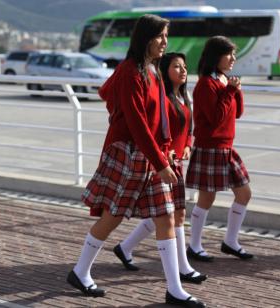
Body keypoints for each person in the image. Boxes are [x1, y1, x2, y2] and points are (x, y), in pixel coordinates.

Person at [66, 15, 205, 307]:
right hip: (130, 154)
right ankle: (80, 271)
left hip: (151, 155)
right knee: (113, 215)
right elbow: (138, 122)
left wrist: (165, 150)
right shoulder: (130, 71)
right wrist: (161, 162)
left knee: (165, 217)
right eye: (161, 36)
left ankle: (174, 290)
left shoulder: (153, 70)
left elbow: (159, 119)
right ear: (146, 37)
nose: (165, 42)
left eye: (167, 36)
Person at [112, 53, 207, 285]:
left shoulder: (183, 97)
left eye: (185, 66)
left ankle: (124, 248)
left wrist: (186, 146)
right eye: (177, 66)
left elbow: (188, 130)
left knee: (166, 215)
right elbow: (155, 130)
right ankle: (183, 267)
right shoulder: (163, 98)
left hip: (176, 162)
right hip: (162, 162)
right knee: (170, 214)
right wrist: (165, 155)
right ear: (165, 70)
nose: (183, 71)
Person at [185, 36, 253, 262]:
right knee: (207, 198)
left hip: (225, 147)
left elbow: (238, 112)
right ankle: (194, 245)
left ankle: (230, 242)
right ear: (217, 56)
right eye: (229, 54)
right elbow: (216, 118)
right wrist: (230, 91)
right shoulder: (206, 84)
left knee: (244, 193)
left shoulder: (223, 80)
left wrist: (236, 90)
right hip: (210, 147)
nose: (233, 58)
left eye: (234, 54)